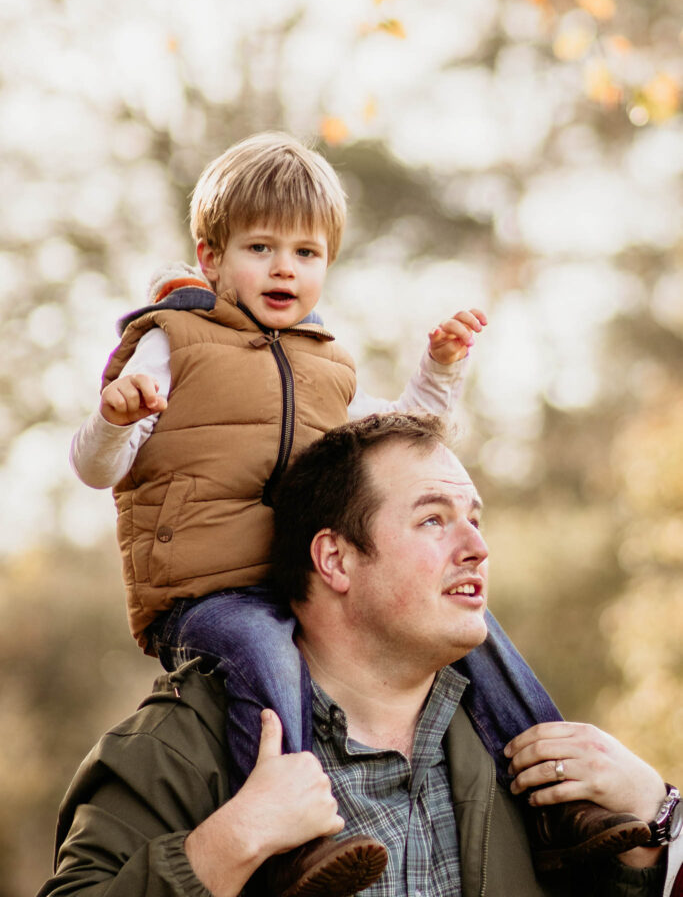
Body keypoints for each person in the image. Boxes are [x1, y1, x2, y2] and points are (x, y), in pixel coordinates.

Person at [69, 132, 644, 891]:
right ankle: (292, 840)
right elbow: (96, 467)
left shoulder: (322, 365)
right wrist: (116, 419)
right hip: (205, 595)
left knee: (484, 635)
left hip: (285, 582)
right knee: (266, 655)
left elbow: (405, 440)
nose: (284, 267)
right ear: (210, 259)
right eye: (261, 247)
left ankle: (557, 800)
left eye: (306, 254)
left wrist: (438, 369)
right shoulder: (172, 342)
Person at [40, 414, 680, 897]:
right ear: (335, 558)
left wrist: (658, 818)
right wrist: (230, 842)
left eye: (475, 519)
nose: (476, 547)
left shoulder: (525, 756)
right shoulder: (182, 744)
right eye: (433, 520)